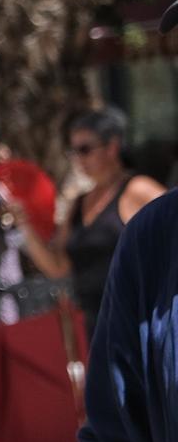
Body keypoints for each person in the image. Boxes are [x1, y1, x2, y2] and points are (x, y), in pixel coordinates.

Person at [17, 107, 163, 323]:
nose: (78, 158)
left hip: (139, 318)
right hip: (95, 321)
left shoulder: (137, 189)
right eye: (74, 151)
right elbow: (58, 268)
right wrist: (24, 224)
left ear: (112, 148)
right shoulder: (78, 203)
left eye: (85, 149)